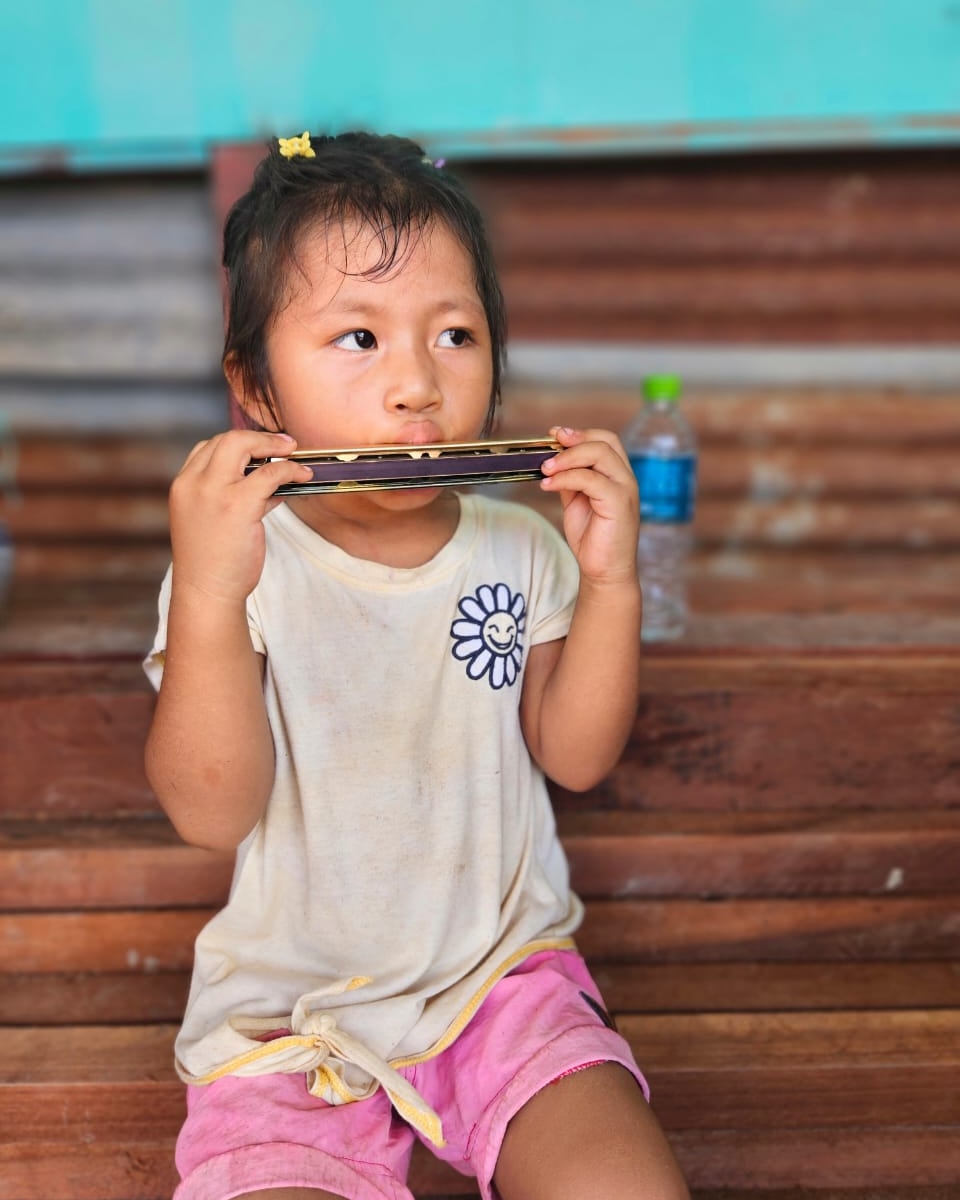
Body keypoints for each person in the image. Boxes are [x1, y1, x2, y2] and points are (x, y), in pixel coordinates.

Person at [144, 129, 689, 1200]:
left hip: (501, 981)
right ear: (255, 384)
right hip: (290, 1022)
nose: (415, 387)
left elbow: (574, 757)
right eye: (357, 337)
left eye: (454, 335)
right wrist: (208, 593)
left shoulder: (520, 549)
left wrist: (612, 582)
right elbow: (212, 812)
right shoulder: (241, 566)